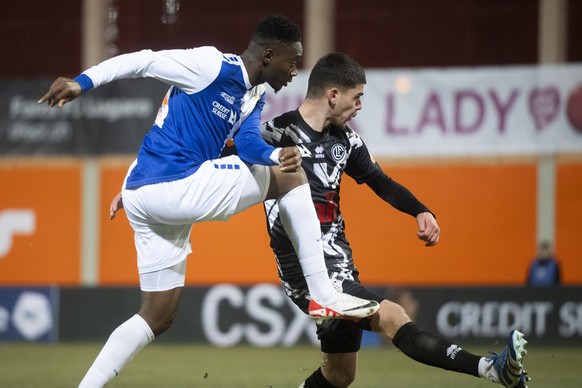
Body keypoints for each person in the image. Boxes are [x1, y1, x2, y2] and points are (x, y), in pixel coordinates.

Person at [39, 16, 379, 387]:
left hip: (148, 194)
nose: (296, 72)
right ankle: (323, 293)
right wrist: (82, 82)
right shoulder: (211, 65)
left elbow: (249, 145)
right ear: (269, 55)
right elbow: (144, 59)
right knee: (293, 178)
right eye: (293, 61)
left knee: (157, 314)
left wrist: (273, 157)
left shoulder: (254, 95)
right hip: (168, 186)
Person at [256, 52, 531, 387]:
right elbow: (227, 161)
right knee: (391, 316)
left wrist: (420, 209)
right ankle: (490, 368)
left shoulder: (345, 140)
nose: (360, 106)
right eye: (356, 97)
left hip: (341, 265)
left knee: (340, 375)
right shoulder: (274, 133)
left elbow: (380, 182)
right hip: (310, 273)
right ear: (332, 95)